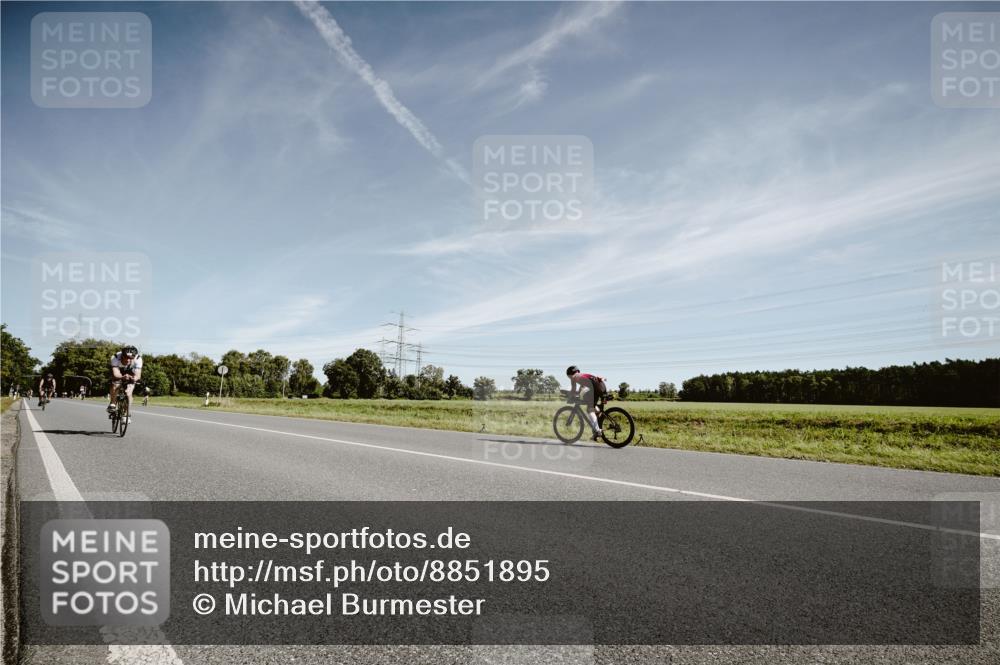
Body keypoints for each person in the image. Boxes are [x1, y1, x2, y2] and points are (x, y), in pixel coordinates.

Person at [566, 366, 608, 440]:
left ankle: (598, 431)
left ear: (570, 374)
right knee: (591, 404)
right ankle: (597, 417)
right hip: (602, 387)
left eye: (568, 376)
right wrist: (577, 394)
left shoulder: (574, 377)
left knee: (589, 409)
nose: (569, 378)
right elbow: (581, 389)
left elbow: (573, 390)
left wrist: (569, 397)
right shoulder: (582, 376)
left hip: (596, 388)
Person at [108, 345, 143, 423]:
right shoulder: (115, 357)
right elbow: (116, 373)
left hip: (131, 372)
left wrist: (133, 378)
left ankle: (125, 414)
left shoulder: (138, 359)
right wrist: (122, 377)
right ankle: (113, 403)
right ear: (122, 356)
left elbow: (137, 375)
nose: (128, 360)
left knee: (128, 393)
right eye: (126, 357)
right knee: (115, 384)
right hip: (118, 371)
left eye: (130, 358)